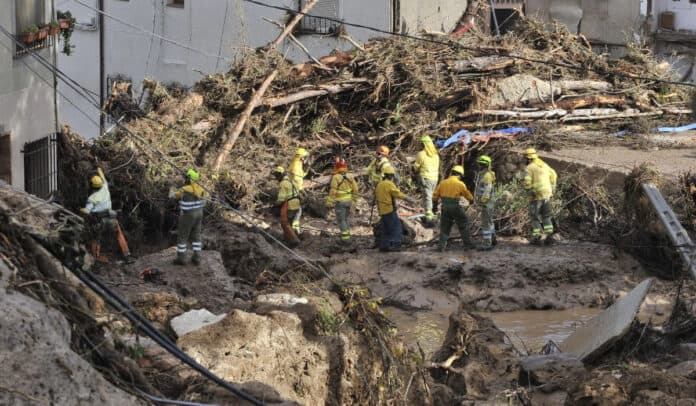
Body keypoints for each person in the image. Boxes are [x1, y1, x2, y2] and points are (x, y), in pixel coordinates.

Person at [80, 167, 133, 263]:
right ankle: (127, 255)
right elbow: (103, 178)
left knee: (95, 238)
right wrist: (99, 169)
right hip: (112, 219)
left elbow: (87, 211)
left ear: (92, 186)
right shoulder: (105, 188)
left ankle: (96, 257)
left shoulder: (92, 198)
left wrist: (81, 209)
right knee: (119, 235)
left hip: (100, 222)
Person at [432, 165, 474, 251]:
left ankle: (441, 246)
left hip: (445, 208)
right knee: (463, 223)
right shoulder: (460, 184)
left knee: (444, 227)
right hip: (455, 207)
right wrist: (471, 200)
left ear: (452, 173)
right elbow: (467, 194)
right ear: (459, 175)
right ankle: (467, 244)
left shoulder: (443, 182)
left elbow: (435, 196)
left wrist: (434, 206)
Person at [169, 169, 205, 265]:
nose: (185, 179)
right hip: (199, 215)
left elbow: (172, 196)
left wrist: (172, 188)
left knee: (182, 236)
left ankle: (181, 258)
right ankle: (197, 257)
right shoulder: (201, 189)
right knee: (196, 235)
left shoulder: (184, 190)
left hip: (188, 216)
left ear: (189, 179)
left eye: (186, 178)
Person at [375, 166, 415, 251]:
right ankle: (396, 245)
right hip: (389, 209)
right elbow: (397, 193)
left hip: (382, 210)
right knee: (396, 227)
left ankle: (384, 246)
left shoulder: (379, 184)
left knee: (385, 228)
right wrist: (409, 199)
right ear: (391, 176)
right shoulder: (389, 184)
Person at [523, 148, 557, 245]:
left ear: (528, 158)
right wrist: (552, 187)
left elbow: (527, 183)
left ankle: (536, 237)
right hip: (547, 195)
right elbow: (554, 175)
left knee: (535, 217)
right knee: (546, 216)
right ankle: (549, 237)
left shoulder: (529, 168)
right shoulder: (544, 165)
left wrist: (530, 191)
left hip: (536, 196)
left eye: (525, 158)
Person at [326, 158, 359, 244]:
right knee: (346, 219)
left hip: (340, 202)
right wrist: (354, 200)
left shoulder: (336, 177)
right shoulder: (350, 176)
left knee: (341, 220)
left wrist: (329, 201)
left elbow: (333, 191)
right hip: (349, 201)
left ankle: (345, 239)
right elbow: (355, 189)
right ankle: (347, 236)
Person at [414, 135, 440, 224]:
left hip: (425, 178)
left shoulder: (421, 154)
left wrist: (414, 168)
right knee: (430, 195)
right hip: (435, 179)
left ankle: (429, 216)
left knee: (427, 196)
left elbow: (416, 167)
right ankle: (431, 212)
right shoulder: (436, 155)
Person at [273, 166, 301, 247]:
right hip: (297, 204)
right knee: (292, 223)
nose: (276, 178)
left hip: (290, 205)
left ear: (280, 175)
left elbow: (281, 198)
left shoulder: (283, 183)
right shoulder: (291, 181)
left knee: (285, 223)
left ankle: (294, 241)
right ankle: (288, 239)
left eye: (276, 176)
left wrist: (276, 204)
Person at [474, 155, 496, 250]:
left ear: (483, 165)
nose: (478, 165)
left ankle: (487, 244)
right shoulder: (485, 174)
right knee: (489, 221)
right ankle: (493, 238)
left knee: (486, 223)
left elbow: (487, 190)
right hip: (488, 202)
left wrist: (482, 201)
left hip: (487, 203)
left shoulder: (487, 176)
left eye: (480, 164)